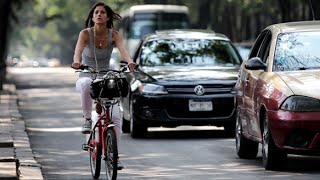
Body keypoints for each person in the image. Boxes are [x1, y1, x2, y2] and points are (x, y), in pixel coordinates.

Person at [71, 2, 136, 169]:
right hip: (87, 74)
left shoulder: (114, 35)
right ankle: (87, 120)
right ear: (92, 17)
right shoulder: (85, 34)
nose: (99, 15)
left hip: (106, 77)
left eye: (102, 12)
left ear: (107, 17)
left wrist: (130, 62)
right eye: (96, 13)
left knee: (115, 117)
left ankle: (116, 157)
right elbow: (78, 50)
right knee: (85, 84)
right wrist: (77, 62)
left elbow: (123, 51)